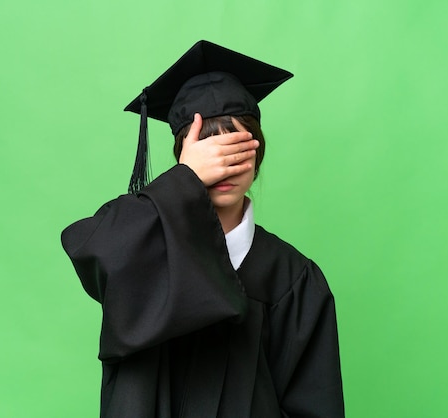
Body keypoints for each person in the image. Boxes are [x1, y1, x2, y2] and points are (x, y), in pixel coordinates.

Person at [61, 40, 344, 418]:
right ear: (182, 159)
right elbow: (91, 250)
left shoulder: (294, 279)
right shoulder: (141, 249)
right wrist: (185, 181)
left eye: (235, 146)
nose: (222, 164)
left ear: (257, 151)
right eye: (206, 150)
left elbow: (314, 407)